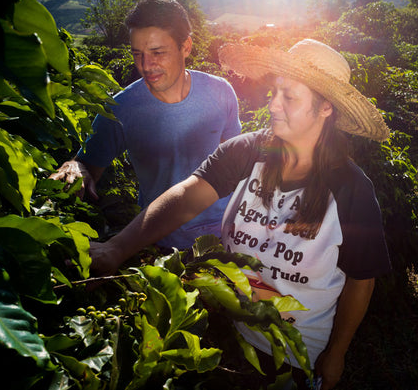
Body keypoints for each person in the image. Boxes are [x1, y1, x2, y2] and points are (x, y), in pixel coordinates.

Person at [89, 39, 392, 389]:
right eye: (274, 93)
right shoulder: (248, 152)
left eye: (290, 97)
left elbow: (361, 279)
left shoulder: (350, 188)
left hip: (296, 352)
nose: (274, 106)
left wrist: (337, 352)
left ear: (325, 109)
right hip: (232, 328)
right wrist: (117, 248)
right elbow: (187, 197)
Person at [50, 0, 241, 250]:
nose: (146, 65)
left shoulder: (221, 92)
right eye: (137, 54)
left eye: (157, 53)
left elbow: (236, 167)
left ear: (186, 47)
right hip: (160, 244)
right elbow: (84, 162)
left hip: (226, 238)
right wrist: (74, 166)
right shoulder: (123, 108)